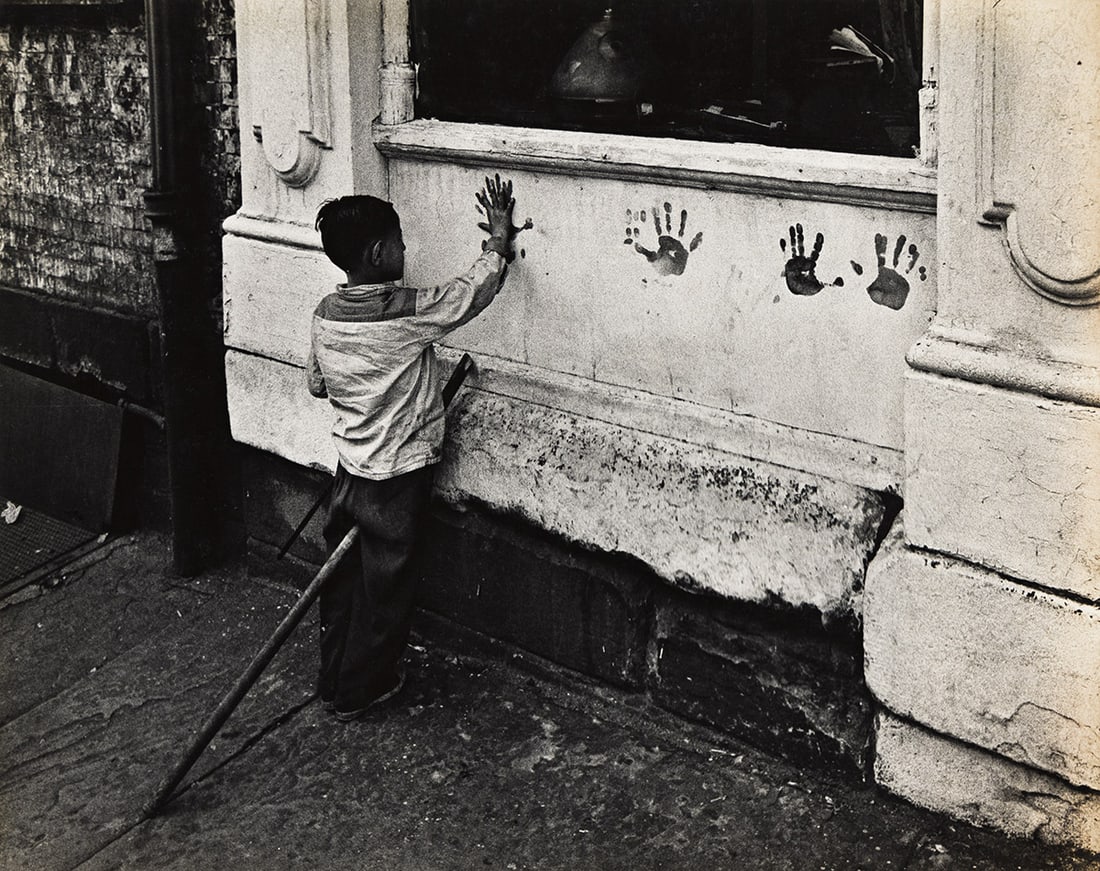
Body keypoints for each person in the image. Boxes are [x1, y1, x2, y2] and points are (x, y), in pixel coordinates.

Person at [306, 175, 527, 721]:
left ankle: (333, 675)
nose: (407, 250)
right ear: (380, 253)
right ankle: (363, 688)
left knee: (341, 580)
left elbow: (317, 384)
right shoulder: (402, 312)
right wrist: (497, 244)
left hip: (350, 467)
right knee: (387, 589)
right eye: (401, 241)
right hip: (397, 475)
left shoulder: (325, 314)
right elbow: (464, 296)